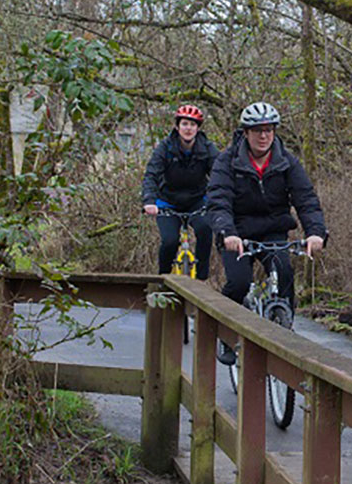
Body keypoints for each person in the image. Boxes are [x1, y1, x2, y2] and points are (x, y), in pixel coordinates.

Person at [206, 101, 327, 361]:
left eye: (269, 130)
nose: (264, 136)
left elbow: (306, 199)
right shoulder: (227, 162)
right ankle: (226, 334)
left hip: (273, 231)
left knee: (284, 272)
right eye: (258, 130)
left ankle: (285, 328)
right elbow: (218, 201)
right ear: (246, 133)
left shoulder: (286, 162)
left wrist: (315, 232)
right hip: (237, 234)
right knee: (239, 283)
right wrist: (227, 232)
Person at [140, 104, 218, 278]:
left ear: (198, 128)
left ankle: (201, 278)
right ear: (177, 126)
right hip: (168, 201)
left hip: (197, 200)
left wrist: (219, 199)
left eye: (192, 125)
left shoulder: (207, 148)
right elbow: (151, 174)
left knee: (205, 229)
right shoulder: (165, 148)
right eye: (184, 124)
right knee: (170, 241)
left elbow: (220, 175)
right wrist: (149, 201)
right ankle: (163, 279)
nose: (188, 129)